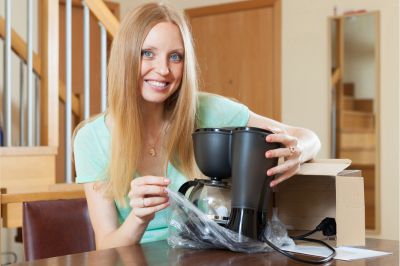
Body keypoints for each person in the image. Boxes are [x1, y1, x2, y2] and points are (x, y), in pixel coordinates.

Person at [73, 2, 321, 250]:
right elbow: (106, 247)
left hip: (207, 256)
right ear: (125, 57)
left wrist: (297, 150)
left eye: (175, 57)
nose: (163, 69)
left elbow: (308, 137)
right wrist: (138, 218)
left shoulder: (207, 110)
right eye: (147, 53)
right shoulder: (91, 139)